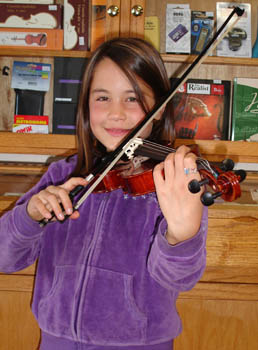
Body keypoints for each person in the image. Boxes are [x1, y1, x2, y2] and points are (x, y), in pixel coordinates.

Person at [0, 37, 208, 350]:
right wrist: (29, 215)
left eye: (132, 99)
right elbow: (5, 257)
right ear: (85, 105)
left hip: (138, 344)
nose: (116, 114)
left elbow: (180, 279)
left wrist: (181, 237)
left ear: (159, 108)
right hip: (57, 342)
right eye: (102, 98)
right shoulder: (62, 175)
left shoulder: (171, 184)